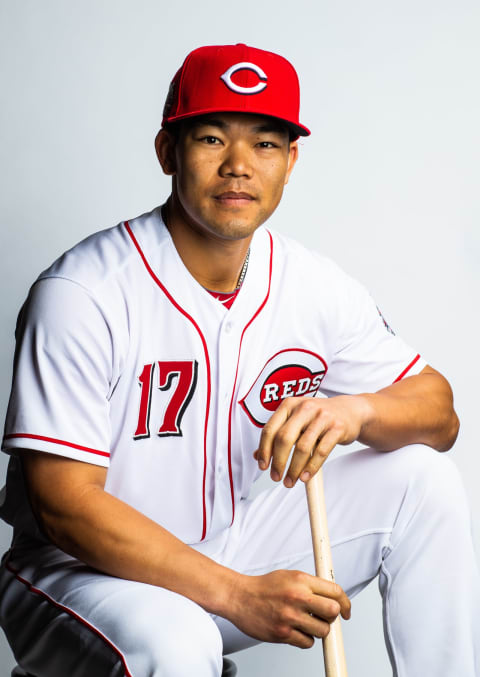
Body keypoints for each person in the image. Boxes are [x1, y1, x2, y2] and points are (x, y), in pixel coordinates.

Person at [0, 43, 478, 677]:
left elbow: (439, 414)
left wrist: (354, 411)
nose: (238, 166)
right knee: (176, 642)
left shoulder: (312, 283)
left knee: (423, 477)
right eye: (210, 138)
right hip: (78, 576)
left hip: (230, 547)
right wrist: (235, 595)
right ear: (168, 151)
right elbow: (62, 504)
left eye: (266, 143)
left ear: (291, 160)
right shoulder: (83, 293)